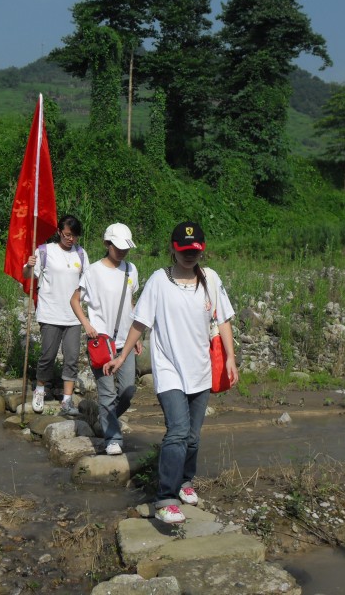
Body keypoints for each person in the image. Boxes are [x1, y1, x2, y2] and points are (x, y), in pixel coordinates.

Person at [104, 221, 239, 524]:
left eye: (194, 251)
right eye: (183, 251)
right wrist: (122, 355)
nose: (189, 256)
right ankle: (165, 497)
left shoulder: (211, 279)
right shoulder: (158, 281)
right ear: (172, 249)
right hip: (168, 370)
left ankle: (185, 481)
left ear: (201, 250)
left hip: (201, 370)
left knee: (192, 436)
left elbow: (224, 320)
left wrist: (231, 358)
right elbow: (140, 322)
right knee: (178, 431)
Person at [70, 223, 142, 456]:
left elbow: (131, 302)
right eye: (117, 247)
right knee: (107, 392)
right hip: (101, 341)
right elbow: (75, 301)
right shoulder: (93, 272)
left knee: (128, 390)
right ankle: (113, 438)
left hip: (125, 342)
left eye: (125, 248)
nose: (122, 252)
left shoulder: (131, 270)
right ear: (106, 244)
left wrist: (136, 334)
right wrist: (87, 325)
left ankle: (105, 418)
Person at [23, 214, 90, 415]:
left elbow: (88, 280)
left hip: (73, 316)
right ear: (59, 232)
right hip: (50, 312)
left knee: (71, 357)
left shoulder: (81, 254)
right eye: (68, 234)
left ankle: (67, 401)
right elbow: (28, 276)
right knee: (48, 355)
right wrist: (29, 265)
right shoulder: (45, 251)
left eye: (75, 235)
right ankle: (40, 388)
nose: (71, 239)